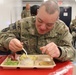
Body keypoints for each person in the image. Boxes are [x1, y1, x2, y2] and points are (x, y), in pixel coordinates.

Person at [0, 0, 76, 61]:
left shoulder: (62, 28)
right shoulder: (22, 24)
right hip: (24, 68)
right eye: (39, 20)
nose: (42, 27)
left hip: (51, 70)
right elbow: (2, 35)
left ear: (57, 19)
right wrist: (8, 41)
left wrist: (59, 52)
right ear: (37, 12)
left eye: (49, 25)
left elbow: (72, 52)